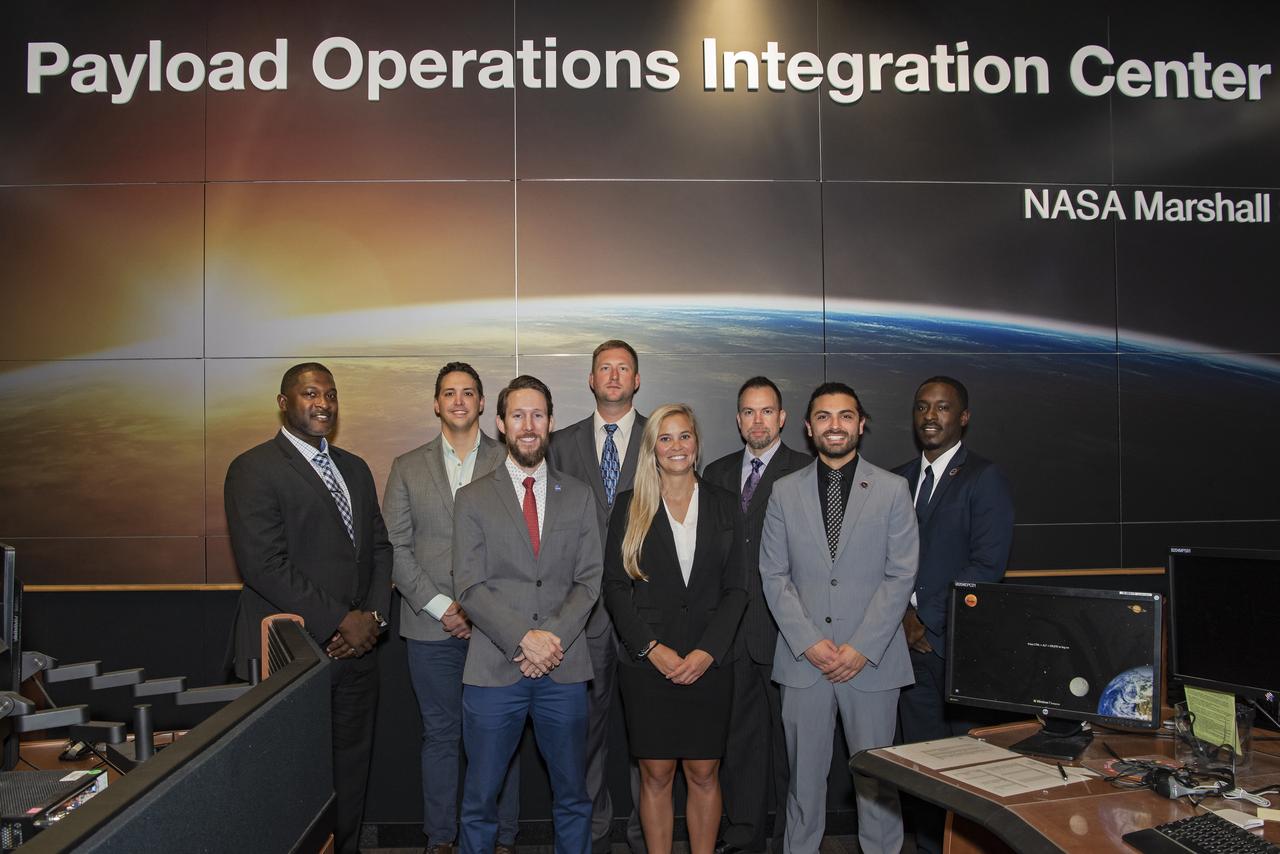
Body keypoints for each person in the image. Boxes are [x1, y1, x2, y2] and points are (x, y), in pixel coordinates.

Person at [224, 362, 392, 854]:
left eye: (330, 395)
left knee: (351, 772)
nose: (323, 404)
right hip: (290, 655)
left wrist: (372, 620)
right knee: (289, 778)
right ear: (284, 402)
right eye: (310, 393)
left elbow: (380, 549)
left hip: (357, 653)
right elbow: (264, 565)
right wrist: (340, 620)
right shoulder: (253, 468)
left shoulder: (354, 468)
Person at [758, 382, 918, 854]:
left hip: (872, 663)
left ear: (861, 425)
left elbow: (901, 575)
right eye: (824, 416)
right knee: (803, 785)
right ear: (808, 428)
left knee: (878, 786)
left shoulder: (892, 490)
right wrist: (809, 642)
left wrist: (861, 647)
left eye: (845, 415)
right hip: (804, 663)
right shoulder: (784, 492)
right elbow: (773, 574)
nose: (835, 425)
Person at [454, 375, 603, 854]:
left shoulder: (578, 495)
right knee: (480, 801)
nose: (528, 425)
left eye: (538, 415)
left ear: (551, 422)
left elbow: (589, 580)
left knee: (573, 797)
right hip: (494, 670)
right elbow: (469, 586)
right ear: (500, 424)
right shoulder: (472, 498)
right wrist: (524, 638)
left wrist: (548, 639)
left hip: (563, 668)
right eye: (517, 415)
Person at [383, 362, 520, 854]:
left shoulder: (510, 461)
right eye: (449, 393)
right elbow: (394, 547)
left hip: (498, 628)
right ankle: (441, 839)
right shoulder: (406, 467)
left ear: (482, 403)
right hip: (429, 625)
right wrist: (444, 606)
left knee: (500, 736)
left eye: (468, 392)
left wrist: (479, 610)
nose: (458, 400)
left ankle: (502, 838)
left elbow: (522, 545)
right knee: (440, 735)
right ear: (436, 404)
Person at [603, 404, 747, 854]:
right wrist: (651, 649)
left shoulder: (725, 503)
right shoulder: (630, 505)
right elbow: (614, 587)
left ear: (697, 444)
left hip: (710, 664)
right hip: (648, 667)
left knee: (704, 773)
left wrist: (707, 652)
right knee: (656, 775)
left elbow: (738, 589)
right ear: (652, 449)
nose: (676, 446)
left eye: (684, 436)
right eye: (665, 438)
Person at [894, 376, 1014, 854]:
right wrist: (902, 618)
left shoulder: (985, 478)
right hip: (906, 649)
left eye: (942, 407)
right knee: (922, 768)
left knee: (966, 769)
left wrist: (928, 618)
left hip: (957, 649)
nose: (930, 416)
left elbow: (987, 566)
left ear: (963, 417)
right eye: (922, 406)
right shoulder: (897, 479)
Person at [701, 377, 810, 854]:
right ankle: (744, 837)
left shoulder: (804, 470)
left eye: (767, 411)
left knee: (791, 749)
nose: (758, 421)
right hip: (730, 636)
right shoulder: (718, 472)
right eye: (749, 412)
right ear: (738, 419)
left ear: (782, 418)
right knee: (740, 744)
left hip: (788, 634)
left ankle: (790, 840)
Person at [548, 339, 648, 854]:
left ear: (636, 380)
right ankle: (589, 829)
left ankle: (645, 829)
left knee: (647, 732)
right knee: (584, 731)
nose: (613, 375)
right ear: (590, 380)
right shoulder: (560, 444)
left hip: (646, 608)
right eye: (604, 368)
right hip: (580, 610)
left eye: (623, 368)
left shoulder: (660, 437)